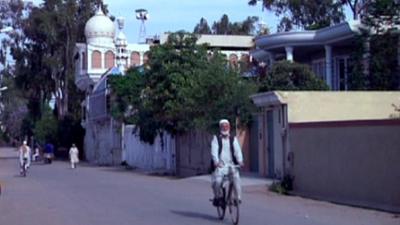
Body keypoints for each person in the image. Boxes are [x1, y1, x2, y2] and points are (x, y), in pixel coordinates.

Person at [211, 119, 244, 206]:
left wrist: (240, 161)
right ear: (220, 128)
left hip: (231, 165)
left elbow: (237, 151)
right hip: (220, 165)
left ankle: (238, 198)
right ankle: (217, 197)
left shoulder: (233, 139)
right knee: (217, 181)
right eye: (223, 126)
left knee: (236, 178)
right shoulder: (216, 139)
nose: (225, 128)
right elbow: (214, 151)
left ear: (229, 127)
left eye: (226, 126)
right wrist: (216, 162)